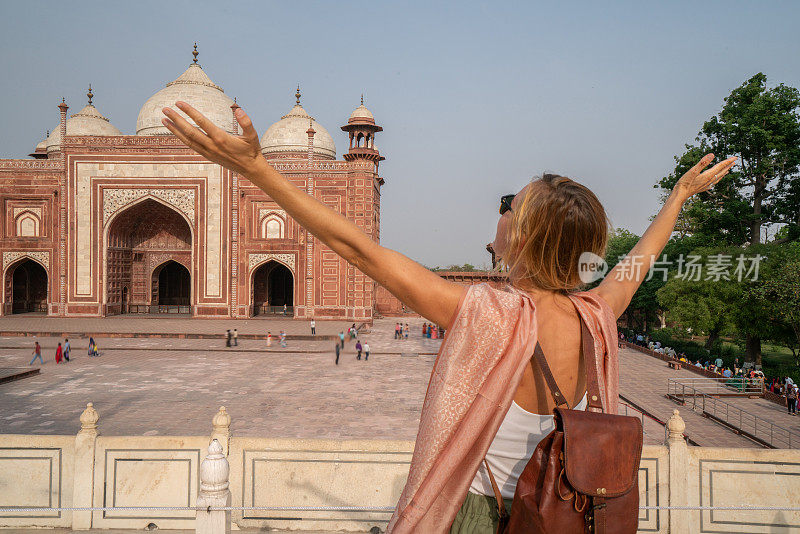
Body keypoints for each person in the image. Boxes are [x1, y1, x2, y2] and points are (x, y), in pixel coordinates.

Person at [162, 99, 735, 532]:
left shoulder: (484, 313)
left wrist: (259, 171)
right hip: (566, 510)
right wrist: (677, 200)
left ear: (522, 236)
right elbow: (639, 263)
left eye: (512, 208)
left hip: (483, 514)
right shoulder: (597, 316)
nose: (502, 212)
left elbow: (359, 249)